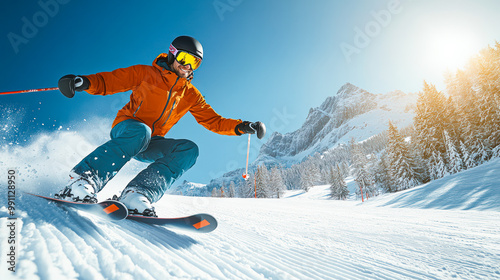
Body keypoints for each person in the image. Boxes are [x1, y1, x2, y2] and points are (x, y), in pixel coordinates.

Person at [55, 35, 266, 216]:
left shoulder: (190, 94)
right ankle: (83, 180)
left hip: (151, 141)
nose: (188, 66)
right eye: (184, 58)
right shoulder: (146, 74)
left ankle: (137, 194)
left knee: (189, 149)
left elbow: (214, 121)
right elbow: (111, 81)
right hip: (128, 128)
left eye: (195, 62)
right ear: (172, 54)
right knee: (141, 131)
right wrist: (83, 82)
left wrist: (242, 126)